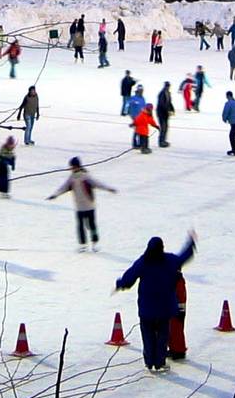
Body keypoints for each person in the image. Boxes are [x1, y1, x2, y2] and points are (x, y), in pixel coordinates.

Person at [115, 232, 196, 371]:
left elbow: (130, 277)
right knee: (162, 336)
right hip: (165, 308)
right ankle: (159, 362)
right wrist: (190, 244)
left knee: (148, 336)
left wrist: (120, 284)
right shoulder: (169, 261)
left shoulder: (144, 262)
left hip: (147, 308)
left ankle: (149, 361)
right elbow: (183, 257)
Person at [50, 157, 113, 248]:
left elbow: (97, 183)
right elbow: (64, 187)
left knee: (91, 225)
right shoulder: (72, 178)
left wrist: (108, 188)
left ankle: (94, 242)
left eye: (73, 166)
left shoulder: (85, 176)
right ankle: (83, 244)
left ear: (77, 166)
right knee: (80, 226)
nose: (71, 168)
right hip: (79, 207)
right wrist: (55, 194)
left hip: (89, 206)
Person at [168, 271, 189, 361]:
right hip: (175, 309)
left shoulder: (176, 280)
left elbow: (180, 296)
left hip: (176, 310)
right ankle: (175, 349)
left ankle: (178, 351)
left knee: (176, 330)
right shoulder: (175, 278)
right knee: (173, 330)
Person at [155, 81, 174, 147]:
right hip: (161, 113)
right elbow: (162, 104)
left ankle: (164, 140)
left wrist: (172, 109)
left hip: (165, 113)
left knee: (166, 127)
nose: (168, 87)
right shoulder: (162, 93)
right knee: (163, 127)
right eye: (167, 86)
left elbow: (169, 102)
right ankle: (161, 141)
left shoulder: (168, 93)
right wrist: (167, 110)